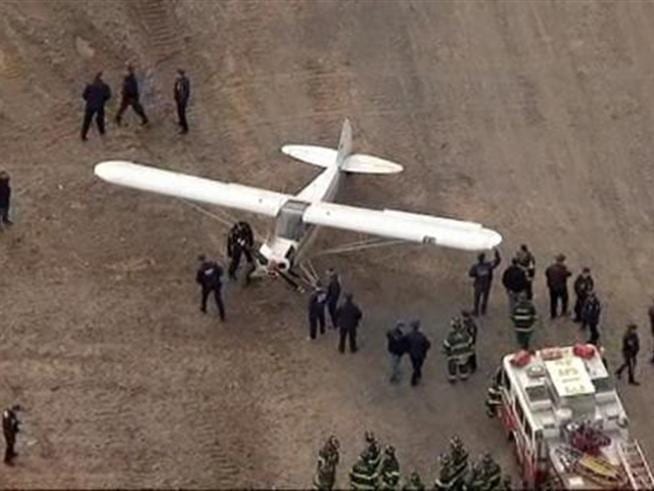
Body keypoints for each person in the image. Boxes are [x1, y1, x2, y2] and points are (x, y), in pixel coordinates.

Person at [468, 249, 501, 316]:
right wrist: (497, 254)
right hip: (486, 284)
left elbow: (471, 274)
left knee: (477, 298)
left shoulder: (476, 266)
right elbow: (497, 262)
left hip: (479, 284)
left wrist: (476, 274)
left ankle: (476, 310)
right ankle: (483, 310)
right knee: (485, 297)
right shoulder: (488, 265)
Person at [81, 71, 111, 141]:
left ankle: (83, 135)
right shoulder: (105, 86)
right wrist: (102, 100)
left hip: (90, 105)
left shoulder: (90, 85)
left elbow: (84, 95)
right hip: (100, 105)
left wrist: (89, 100)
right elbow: (108, 96)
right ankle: (102, 133)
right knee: (100, 119)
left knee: (87, 121)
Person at [442, 317, 473, 383]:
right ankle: (463, 375)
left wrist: (447, 352)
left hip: (455, 355)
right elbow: (470, 342)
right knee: (463, 364)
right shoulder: (465, 334)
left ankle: (452, 377)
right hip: (464, 353)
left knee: (452, 365)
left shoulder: (451, 336)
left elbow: (446, 345)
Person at [195, 254, 225, 321]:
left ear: (200, 261)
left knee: (204, 296)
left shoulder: (201, 270)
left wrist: (204, 283)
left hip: (207, 286)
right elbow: (221, 272)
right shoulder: (213, 264)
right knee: (218, 300)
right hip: (216, 284)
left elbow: (198, 280)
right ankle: (222, 315)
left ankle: (203, 308)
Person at [545, 254, 572, 319]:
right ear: (562, 261)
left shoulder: (550, 267)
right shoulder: (562, 268)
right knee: (564, 299)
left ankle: (553, 314)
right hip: (561, 287)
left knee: (553, 301)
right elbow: (569, 274)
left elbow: (546, 273)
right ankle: (563, 312)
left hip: (552, 287)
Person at [405, 320, 431, 386]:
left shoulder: (409, 335)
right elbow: (427, 344)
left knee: (415, 365)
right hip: (420, 354)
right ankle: (414, 379)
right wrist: (424, 350)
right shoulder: (422, 336)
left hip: (412, 353)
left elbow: (405, 342)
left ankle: (418, 374)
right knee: (418, 366)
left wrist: (408, 349)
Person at [173, 69, 190, 134]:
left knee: (182, 114)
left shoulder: (185, 82)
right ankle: (181, 121)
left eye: (178, 74)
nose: (176, 76)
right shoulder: (177, 81)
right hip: (178, 99)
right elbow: (176, 89)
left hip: (182, 101)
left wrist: (183, 100)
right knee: (179, 112)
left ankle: (185, 128)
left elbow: (186, 93)